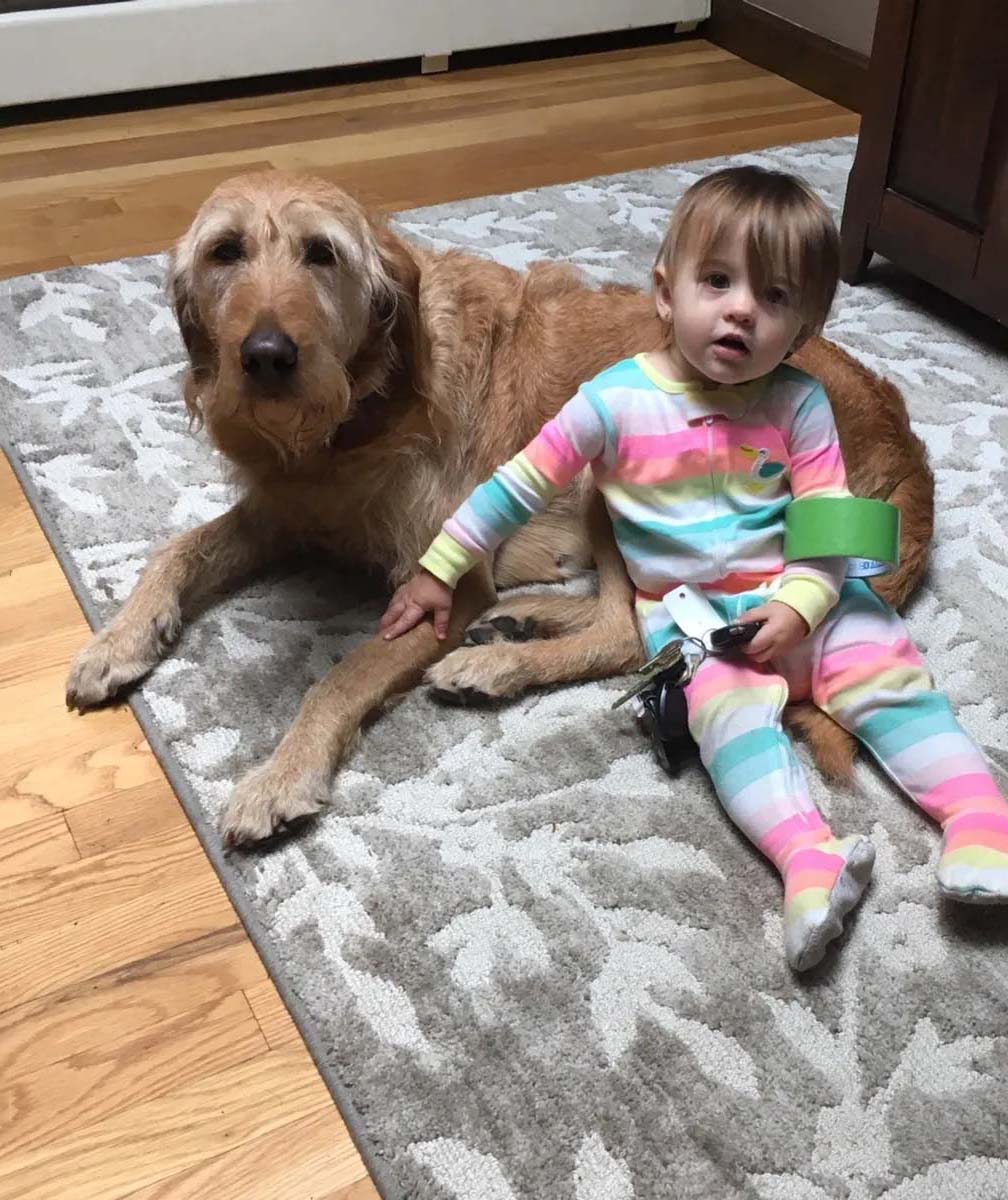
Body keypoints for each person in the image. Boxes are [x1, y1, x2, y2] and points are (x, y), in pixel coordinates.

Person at [379, 165, 1008, 971]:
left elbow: (824, 521)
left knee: (892, 680)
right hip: (702, 623)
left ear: (803, 331)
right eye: (717, 282)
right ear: (665, 294)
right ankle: (808, 861)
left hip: (812, 595)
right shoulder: (611, 401)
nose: (742, 308)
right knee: (727, 730)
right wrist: (439, 569)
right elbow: (516, 485)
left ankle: (978, 815)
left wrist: (804, 603)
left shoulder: (801, 403)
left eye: (774, 297)